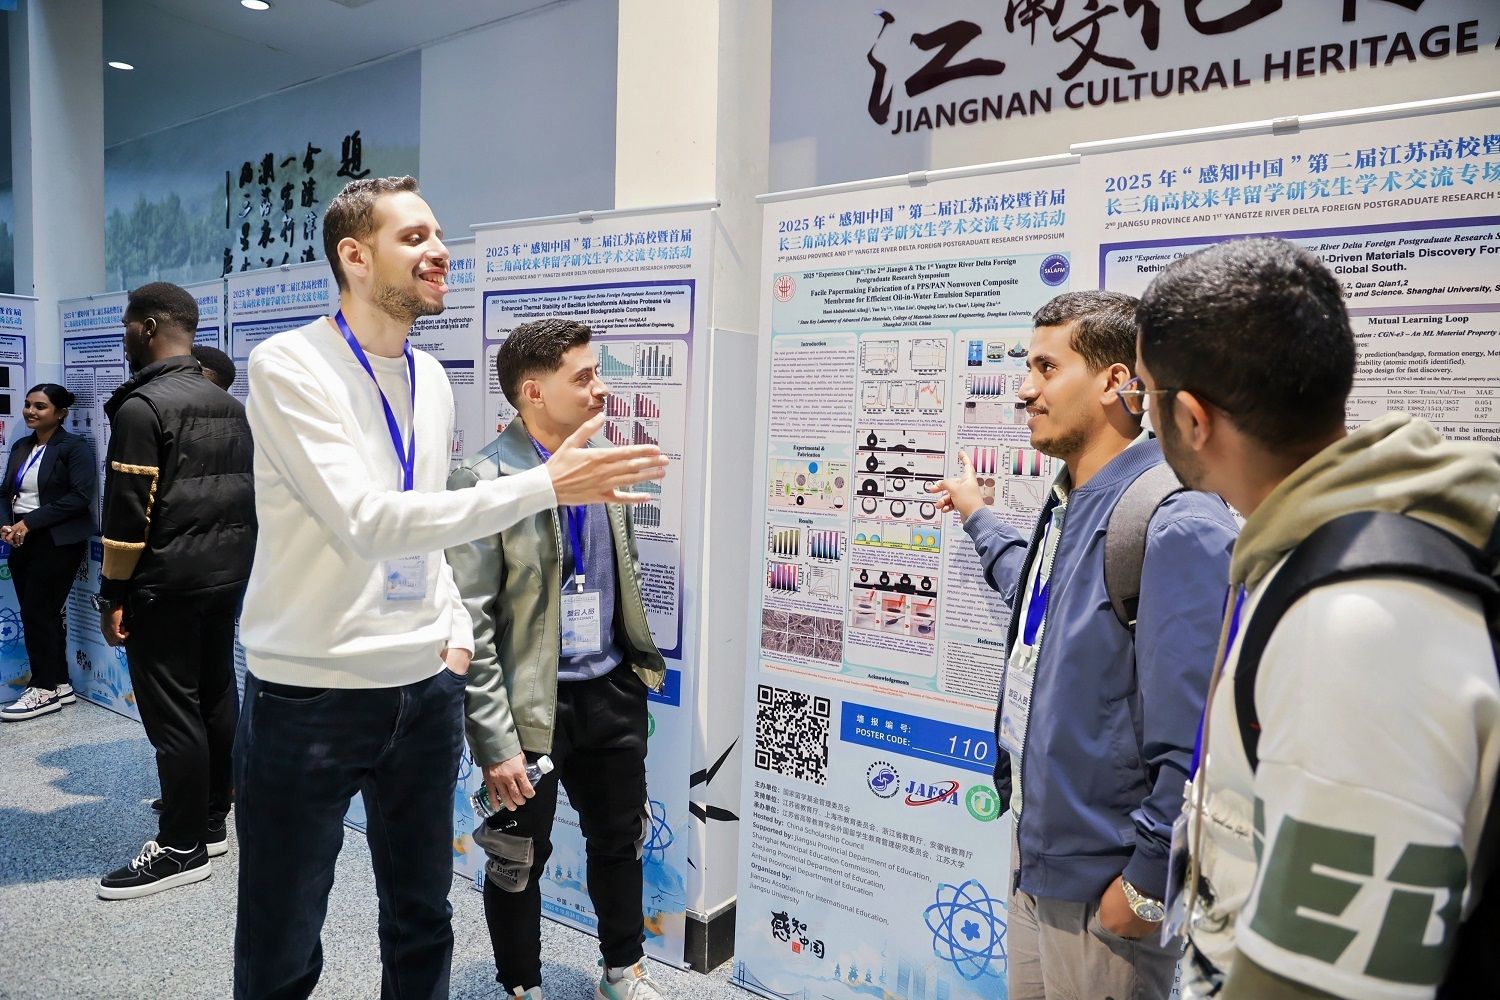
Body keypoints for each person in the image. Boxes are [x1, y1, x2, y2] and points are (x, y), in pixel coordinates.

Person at [232, 176, 667, 1000]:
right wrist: (545, 486)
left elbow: (432, 528)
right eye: (414, 237)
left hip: (423, 688)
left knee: (423, 919)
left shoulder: (430, 377)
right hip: (313, 690)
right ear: (355, 256)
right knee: (283, 932)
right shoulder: (289, 365)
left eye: (438, 234)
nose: (439, 251)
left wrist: (453, 637)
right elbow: (366, 521)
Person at [1135, 237, 1500, 999]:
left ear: (1192, 418)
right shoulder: (1319, 554)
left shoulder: (1355, 619)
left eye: (1146, 393)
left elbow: (1332, 975)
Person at [927, 290, 1238, 999]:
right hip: (1040, 854)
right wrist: (978, 515)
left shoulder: (1174, 520)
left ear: (1115, 382)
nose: (1024, 389)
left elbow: (1201, 734)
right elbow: (1040, 602)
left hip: (1108, 881)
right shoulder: (1073, 499)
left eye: (1046, 367)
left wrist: (1147, 883)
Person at [447, 319, 667, 1000]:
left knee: (620, 840)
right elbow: (472, 621)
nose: (601, 388)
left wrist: (633, 673)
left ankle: (622, 971)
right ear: (534, 391)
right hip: (525, 709)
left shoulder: (601, 461)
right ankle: (522, 986)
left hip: (610, 690)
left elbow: (622, 572)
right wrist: (494, 740)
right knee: (516, 858)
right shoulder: (483, 479)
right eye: (584, 376)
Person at [94, 282, 257, 900]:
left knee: (172, 713)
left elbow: (127, 514)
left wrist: (112, 593)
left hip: (163, 582)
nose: (124, 337)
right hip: (225, 577)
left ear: (148, 327)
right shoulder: (228, 404)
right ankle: (212, 821)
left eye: (127, 326)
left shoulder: (142, 408)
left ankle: (181, 846)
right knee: (215, 693)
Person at [0, 384, 96, 722]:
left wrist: (29, 523)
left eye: (40, 406)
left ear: (60, 413)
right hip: (21, 538)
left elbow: (79, 497)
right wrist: (7, 525)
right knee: (42, 613)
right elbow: (5, 492)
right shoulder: (21, 446)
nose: (30, 411)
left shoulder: (74, 448)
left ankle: (42, 690)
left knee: (38, 613)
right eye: (28, 405)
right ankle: (59, 682)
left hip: (57, 540)